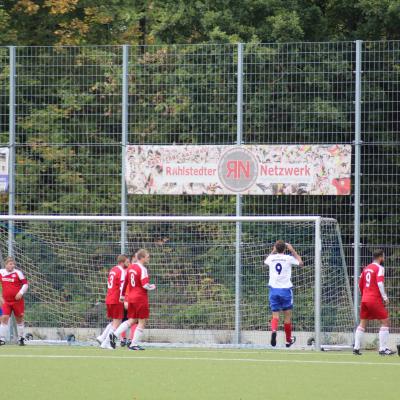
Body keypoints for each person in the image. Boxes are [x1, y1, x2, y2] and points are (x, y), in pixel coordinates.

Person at [112, 249, 156, 350]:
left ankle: (114, 335)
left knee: (132, 320)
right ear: (142, 257)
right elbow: (145, 285)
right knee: (142, 321)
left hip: (131, 298)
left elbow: (125, 283)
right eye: (147, 256)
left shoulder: (131, 268)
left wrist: (122, 296)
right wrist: (152, 286)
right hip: (140, 298)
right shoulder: (142, 269)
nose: (149, 258)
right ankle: (133, 344)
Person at [353, 249, 395, 356]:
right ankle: (383, 349)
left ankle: (356, 348)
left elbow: (359, 284)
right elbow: (380, 283)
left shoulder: (366, 268)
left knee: (362, 323)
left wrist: (364, 295)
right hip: (374, 299)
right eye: (383, 256)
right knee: (385, 321)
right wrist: (385, 297)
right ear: (380, 257)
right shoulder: (380, 268)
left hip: (365, 299)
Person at [264, 240, 303, 348]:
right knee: (287, 317)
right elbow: (301, 263)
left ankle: (274, 330)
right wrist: (292, 250)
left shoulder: (271, 258)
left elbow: (265, 261)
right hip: (285, 290)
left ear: (276, 248)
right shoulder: (288, 258)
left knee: (275, 315)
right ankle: (288, 340)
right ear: (285, 249)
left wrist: (273, 250)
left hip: (273, 290)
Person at [97, 255, 129, 349]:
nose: (128, 264)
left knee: (115, 322)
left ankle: (103, 339)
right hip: (117, 299)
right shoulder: (121, 271)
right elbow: (122, 286)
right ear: (122, 262)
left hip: (109, 298)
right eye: (127, 262)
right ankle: (108, 343)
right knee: (117, 323)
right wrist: (122, 297)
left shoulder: (113, 270)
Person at [0, 256, 29, 346]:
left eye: (13, 264)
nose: (12, 266)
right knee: (4, 318)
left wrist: (20, 292)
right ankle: (2, 339)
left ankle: (21, 338)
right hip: (6, 301)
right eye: (10, 264)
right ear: (6, 264)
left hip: (17, 301)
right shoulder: (1, 272)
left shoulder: (18, 273)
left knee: (19, 319)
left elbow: (25, 284)